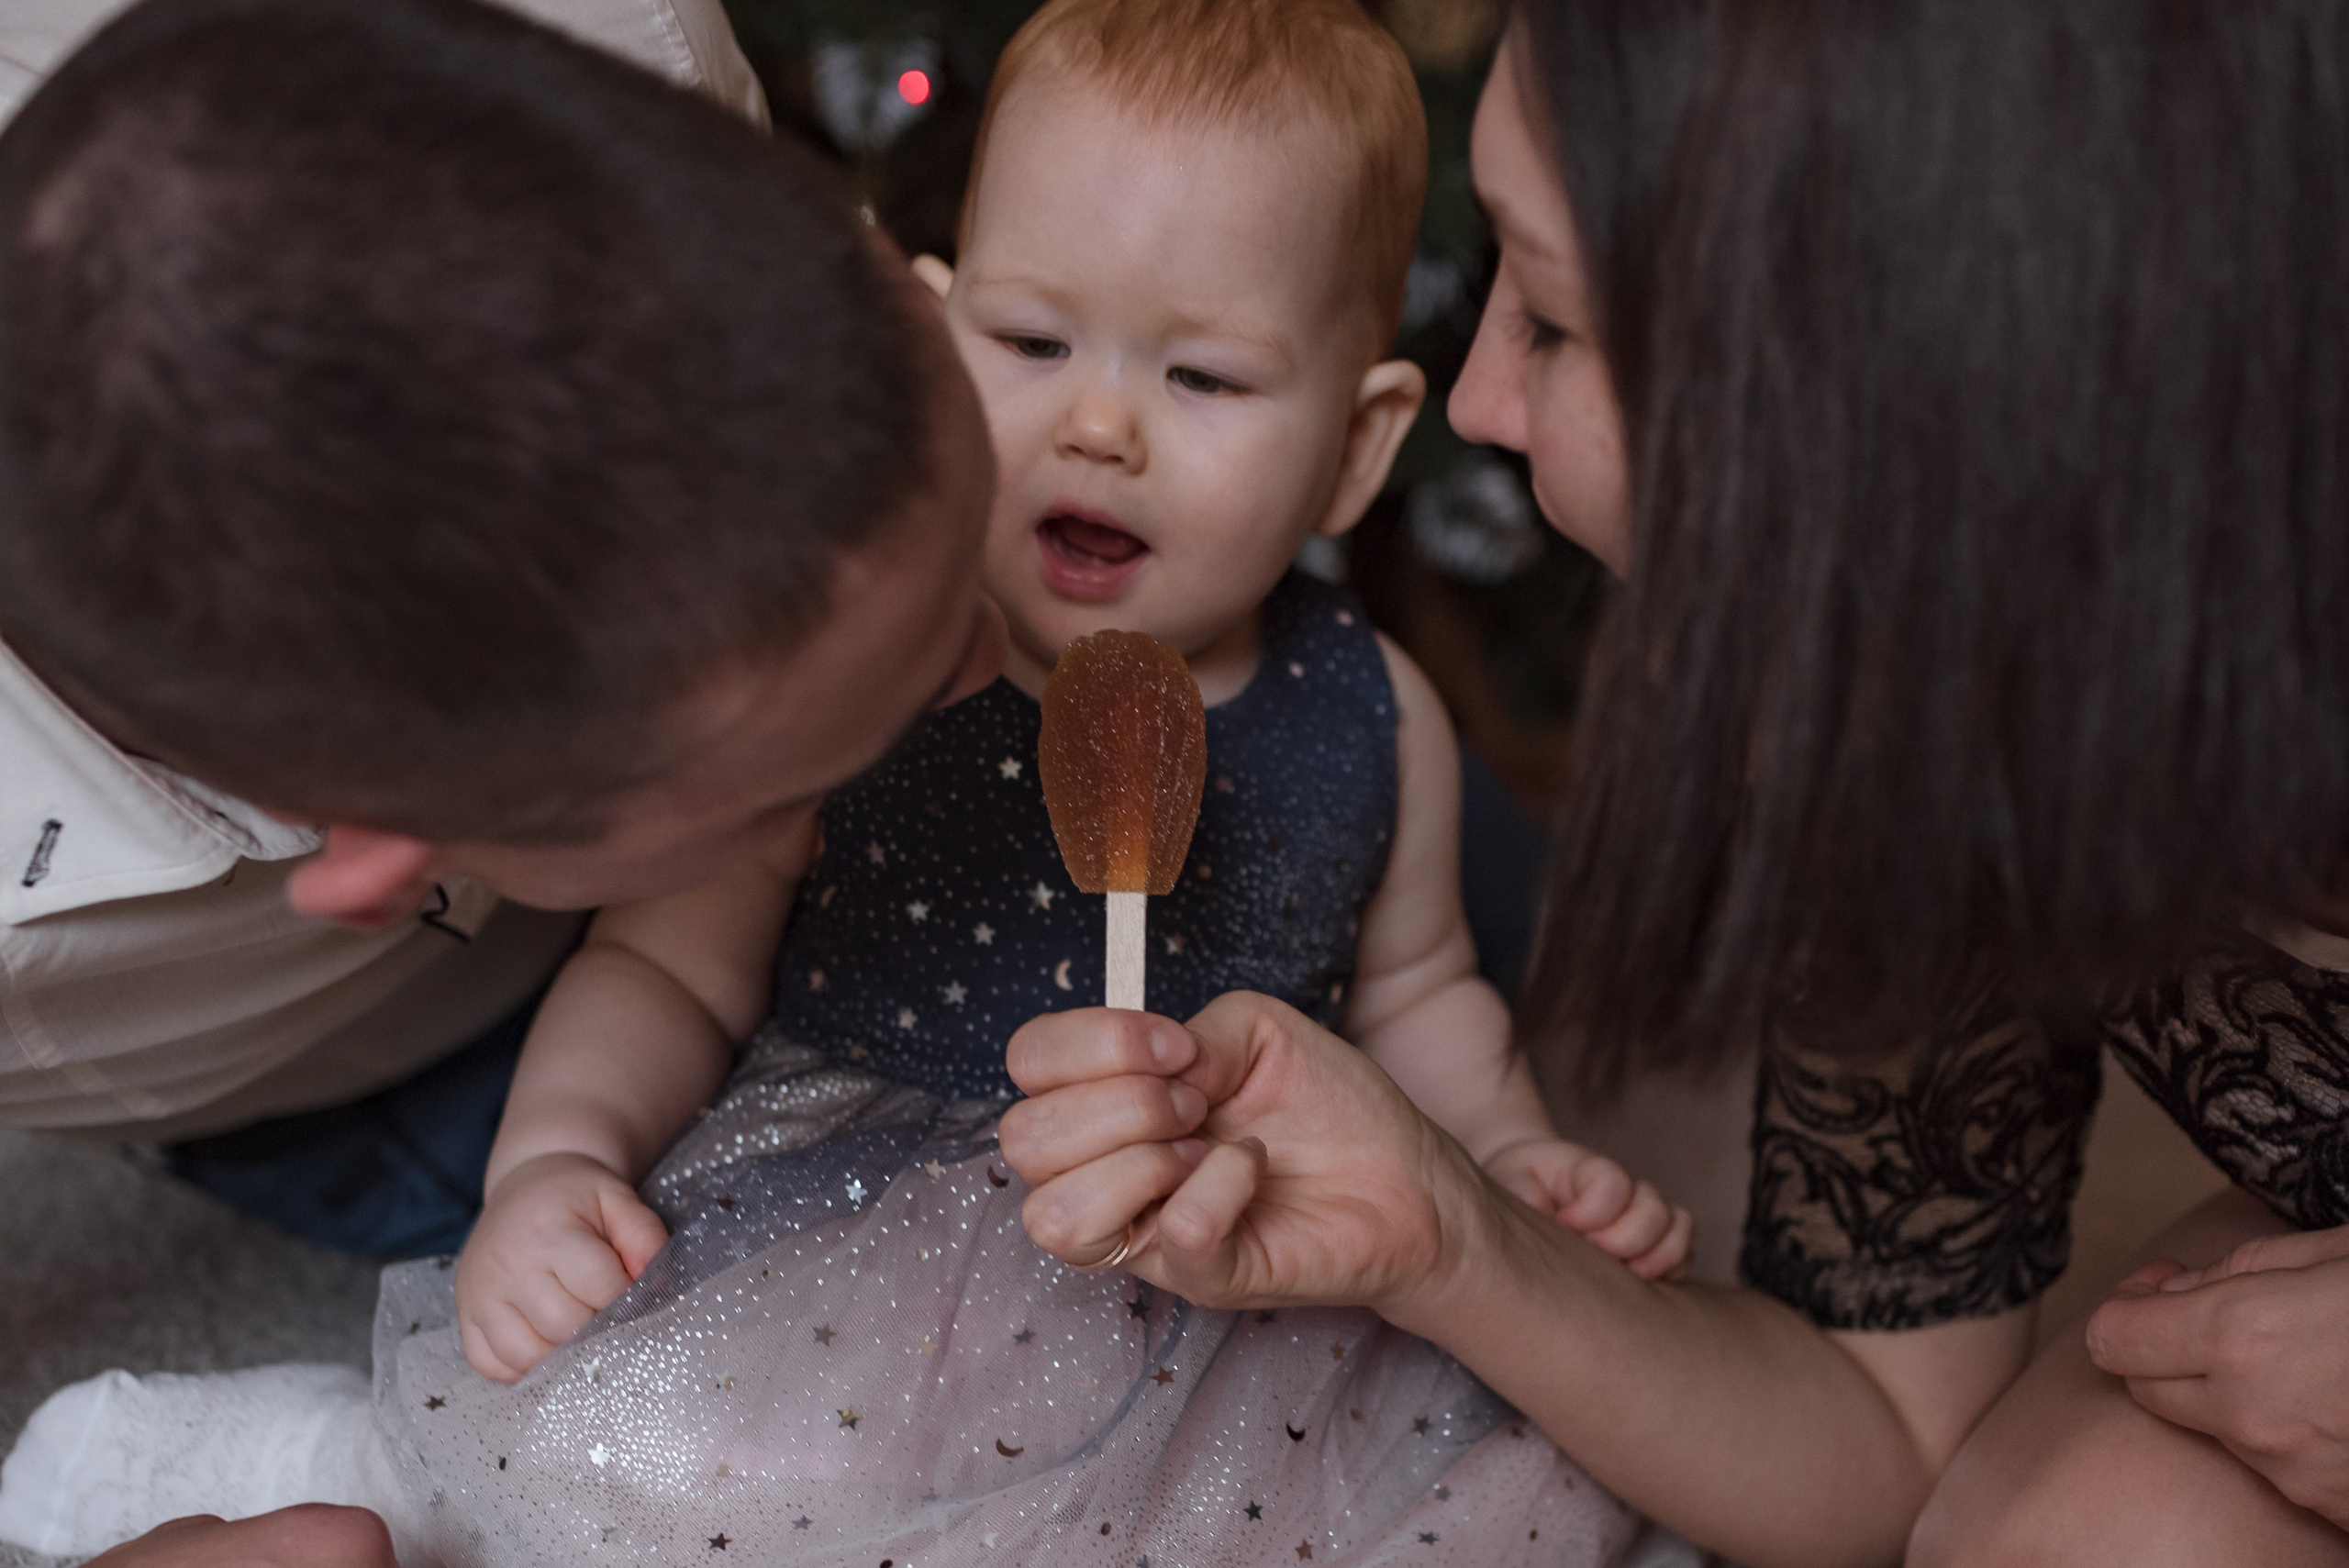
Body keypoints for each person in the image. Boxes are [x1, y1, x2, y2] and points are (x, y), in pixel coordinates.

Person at [2, 3, 1689, 1562]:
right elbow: (665, 960)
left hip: (1238, 1250)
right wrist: (559, 1161)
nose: (1102, 429)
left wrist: (1510, 1169)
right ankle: (362, 1456)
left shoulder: (1365, 704)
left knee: (1501, 1489)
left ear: (1356, 445)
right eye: (1033, 344)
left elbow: (1425, 995)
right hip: (869, 1222)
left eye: (1203, 380)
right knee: (662, 1460)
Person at [996, 2, 2349, 1565]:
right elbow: (1876, 1422)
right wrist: (1445, 1227)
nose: (1484, 405)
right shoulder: (1916, 720)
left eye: (1555, 323)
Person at [0, 0, 999, 1560]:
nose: (995, 663)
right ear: (395, 857)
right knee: (755, 1404)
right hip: (356, 1062)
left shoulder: (627, 43)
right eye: (813, 757)